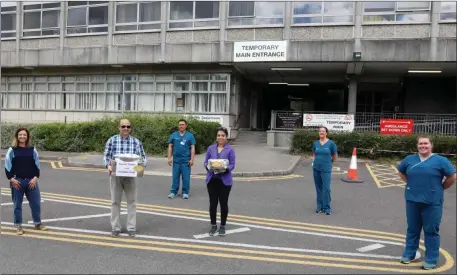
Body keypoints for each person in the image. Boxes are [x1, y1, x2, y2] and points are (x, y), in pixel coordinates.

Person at [397, 136, 456, 270]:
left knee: (431, 230)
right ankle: (409, 254)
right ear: (417, 146)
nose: (423, 146)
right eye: (420, 144)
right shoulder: (409, 159)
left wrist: (441, 188)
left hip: (432, 201)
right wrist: (410, 183)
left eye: (426, 143)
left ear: (431, 145)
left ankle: (431, 258)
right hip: (412, 200)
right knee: (412, 228)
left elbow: (452, 177)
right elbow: (400, 172)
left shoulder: (441, 161)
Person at [103, 119, 147, 238]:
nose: (126, 128)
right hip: (116, 176)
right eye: (123, 126)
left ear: (131, 128)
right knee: (115, 202)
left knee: (132, 202)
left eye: (128, 126)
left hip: (130, 177)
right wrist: (108, 165)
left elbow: (143, 158)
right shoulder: (112, 140)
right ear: (119, 128)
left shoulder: (136, 142)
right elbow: (106, 156)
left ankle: (131, 227)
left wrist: (138, 170)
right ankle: (115, 227)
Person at [4, 128, 48, 235]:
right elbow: (7, 165)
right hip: (17, 181)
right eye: (20, 135)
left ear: (27, 137)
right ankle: (18, 226)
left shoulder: (32, 150)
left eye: (24, 135)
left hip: (31, 181)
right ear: (17, 136)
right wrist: (11, 179)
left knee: (36, 203)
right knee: (17, 205)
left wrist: (35, 178)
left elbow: (37, 165)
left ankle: (37, 224)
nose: (22, 136)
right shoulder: (12, 150)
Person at [203, 127, 235, 237]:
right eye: (218, 135)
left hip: (225, 181)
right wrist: (208, 167)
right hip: (212, 180)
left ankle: (222, 226)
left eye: (223, 135)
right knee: (213, 204)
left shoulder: (230, 149)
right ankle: (213, 226)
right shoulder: (211, 148)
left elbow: (232, 164)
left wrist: (225, 168)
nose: (220, 137)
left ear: (226, 137)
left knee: (223, 204)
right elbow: (206, 162)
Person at [312, 126, 337, 215]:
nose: (321, 132)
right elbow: (314, 154)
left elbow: (334, 156)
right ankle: (319, 206)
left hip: (326, 169)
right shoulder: (315, 143)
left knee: (326, 189)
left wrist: (329, 163)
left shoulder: (331, 144)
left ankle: (327, 207)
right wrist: (314, 162)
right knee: (318, 188)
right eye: (320, 131)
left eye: (323, 131)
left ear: (326, 133)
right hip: (316, 168)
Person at [167, 119, 196, 199]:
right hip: (176, 161)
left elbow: (192, 148)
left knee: (186, 178)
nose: (181, 126)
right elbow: (170, 146)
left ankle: (185, 192)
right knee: (175, 177)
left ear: (186, 126)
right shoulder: (174, 135)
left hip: (186, 161)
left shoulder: (190, 136)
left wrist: (192, 159)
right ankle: (173, 192)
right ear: (178, 126)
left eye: (183, 124)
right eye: (180, 124)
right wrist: (169, 158)